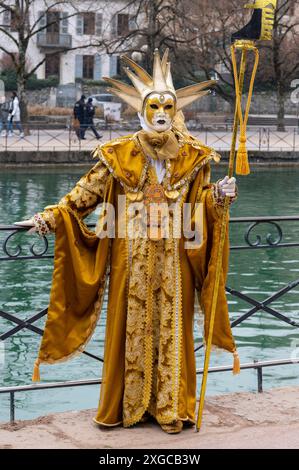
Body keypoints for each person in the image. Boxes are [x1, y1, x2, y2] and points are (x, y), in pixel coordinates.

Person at [14, 49, 238, 434]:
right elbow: (83, 197)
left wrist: (218, 195)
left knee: (172, 331)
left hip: (175, 267)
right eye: (155, 106)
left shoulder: (193, 158)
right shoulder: (118, 156)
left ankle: (169, 407)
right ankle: (128, 408)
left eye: (169, 105)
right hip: (129, 265)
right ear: (142, 109)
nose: (162, 112)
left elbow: (198, 205)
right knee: (129, 334)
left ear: (176, 109)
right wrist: (50, 217)